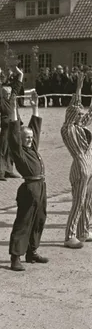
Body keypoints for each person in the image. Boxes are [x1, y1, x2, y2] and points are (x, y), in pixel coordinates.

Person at [7, 91, 47, 271]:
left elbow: (35, 128)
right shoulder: (19, 151)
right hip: (29, 189)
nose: (30, 139)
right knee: (23, 222)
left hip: (41, 187)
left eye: (31, 137)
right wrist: (13, 108)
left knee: (39, 219)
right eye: (27, 138)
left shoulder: (32, 148)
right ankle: (15, 257)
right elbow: (14, 133)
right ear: (21, 140)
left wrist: (35, 107)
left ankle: (32, 251)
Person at [61, 72, 92, 249]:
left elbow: (89, 113)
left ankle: (84, 231)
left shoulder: (80, 127)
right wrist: (78, 89)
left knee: (88, 201)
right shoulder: (68, 129)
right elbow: (74, 108)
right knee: (78, 202)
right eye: (78, 114)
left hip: (89, 167)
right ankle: (70, 235)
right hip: (80, 168)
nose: (81, 115)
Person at [0, 64, 23, 181]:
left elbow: (17, 86)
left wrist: (20, 74)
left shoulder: (12, 98)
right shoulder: (1, 102)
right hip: (6, 127)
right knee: (2, 150)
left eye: (10, 93)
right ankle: (0, 172)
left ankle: (9, 170)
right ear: (4, 94)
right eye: (7, 93)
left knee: (11, 149)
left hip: (16, 125)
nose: (9, 94)